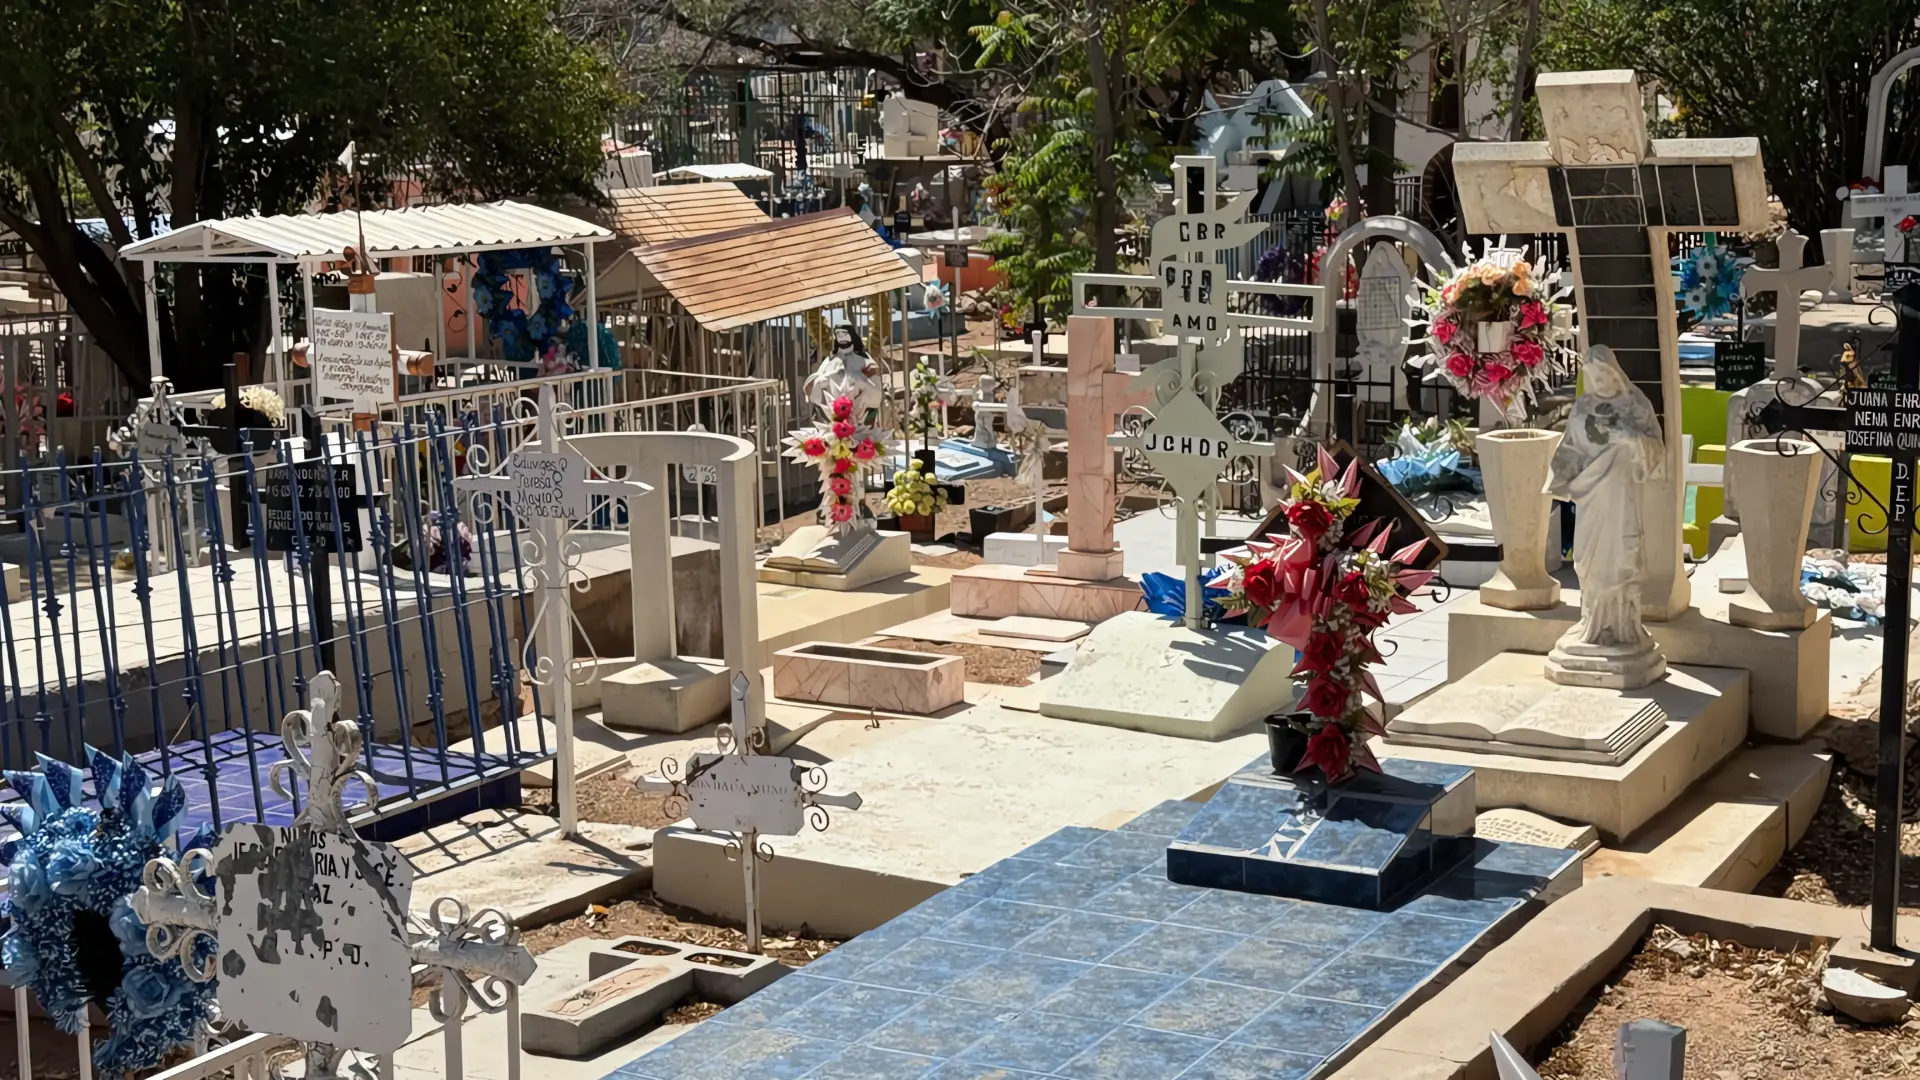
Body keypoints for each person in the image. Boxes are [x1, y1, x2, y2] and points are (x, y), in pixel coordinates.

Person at [1547, 344, 1666, 649]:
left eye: (1604, 375)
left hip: (1622, 493)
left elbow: (1656, 450)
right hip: (1591, 496)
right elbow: (1570, 447)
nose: (1599, 382)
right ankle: (1593, 624)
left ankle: (1624, 628)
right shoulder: (1583, 407)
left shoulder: (1634, 404)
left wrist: (1631, 440)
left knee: (1621, 557)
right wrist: (1560, 474)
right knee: (1587, 560)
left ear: (1616, 373)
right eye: (1592, 376)